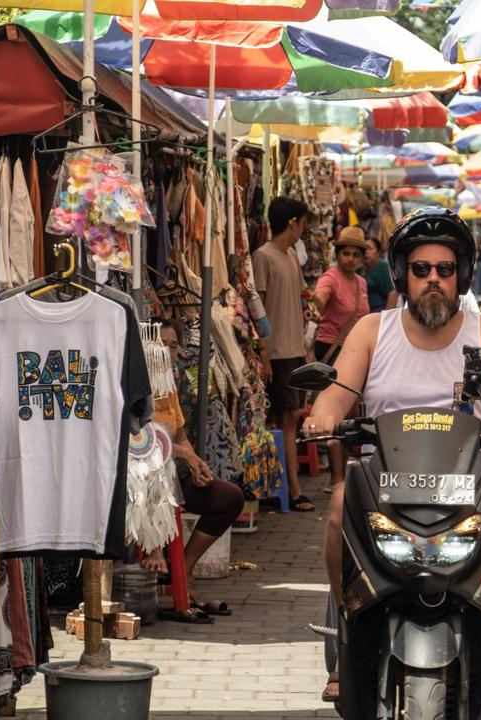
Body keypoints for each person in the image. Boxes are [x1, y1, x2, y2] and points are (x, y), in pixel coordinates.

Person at [304, 207, 481, 706]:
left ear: (461, 275)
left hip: (468, 487)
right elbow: (337, 393)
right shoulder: (373, 330)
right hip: (385, 485)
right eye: (421, 269)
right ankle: (347, 628)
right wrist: (322, 415)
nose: (433, 279)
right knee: (336, 505)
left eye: (445, 269)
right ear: (402, 274)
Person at [141, 320, 247, 621]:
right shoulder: (134, 388)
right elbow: (139, 441)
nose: (165, 351)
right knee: (156, 474)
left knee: (229, 498)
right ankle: (157, 554)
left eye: (172, 345)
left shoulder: (171, 386)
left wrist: (198, 463)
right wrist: (184, 457)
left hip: (175, 471)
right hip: (142, 475)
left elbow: (181, 435)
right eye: (159, 344)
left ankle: (183, 570)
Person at [252, 197, 315, 512]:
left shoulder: (290, 256)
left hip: (293, 349)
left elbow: (300, 301)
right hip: (275, 351)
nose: (305, 228)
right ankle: (292, 489)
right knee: (284, 419)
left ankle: (282, 487)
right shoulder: (263, 257)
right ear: (293, 222)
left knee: (287, 418)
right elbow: (256, 306)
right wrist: (263, 351)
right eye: (303, 222)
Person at [312, 226, 371, 493]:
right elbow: (319, 298)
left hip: (356, 351)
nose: (350, 258)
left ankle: (344, 475)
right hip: (332, 350)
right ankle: (336, 478)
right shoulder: (331, 277)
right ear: (338, 254)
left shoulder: (361, 283)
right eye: (345, 253)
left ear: (361, 257)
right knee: (338, 411)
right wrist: (319, 301)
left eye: (355, 254)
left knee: (352, 413)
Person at [361, 235, 398, 312]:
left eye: (370, 248)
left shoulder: (383, 266)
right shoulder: (360, 268)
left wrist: (387, 317)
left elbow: (392, 293)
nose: (366, 252)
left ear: (378, 252)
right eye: (364, 249)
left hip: (379, 311)